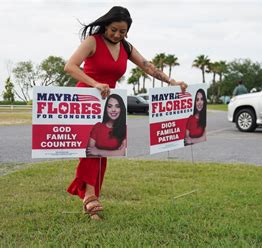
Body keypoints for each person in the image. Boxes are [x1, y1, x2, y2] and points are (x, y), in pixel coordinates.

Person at [64, 6, 188, 221]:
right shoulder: (93, 41)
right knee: (92, 148)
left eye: (122, 31)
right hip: (88, 97)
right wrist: (95, 83)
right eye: (114, 30)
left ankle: (90, 198)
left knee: (104, 151)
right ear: (106, 26)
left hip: (111, 101)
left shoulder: (126, 47)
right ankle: (90, 197)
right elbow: (70, 66)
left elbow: (147, 66)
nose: (117, 35)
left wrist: (172, 82)